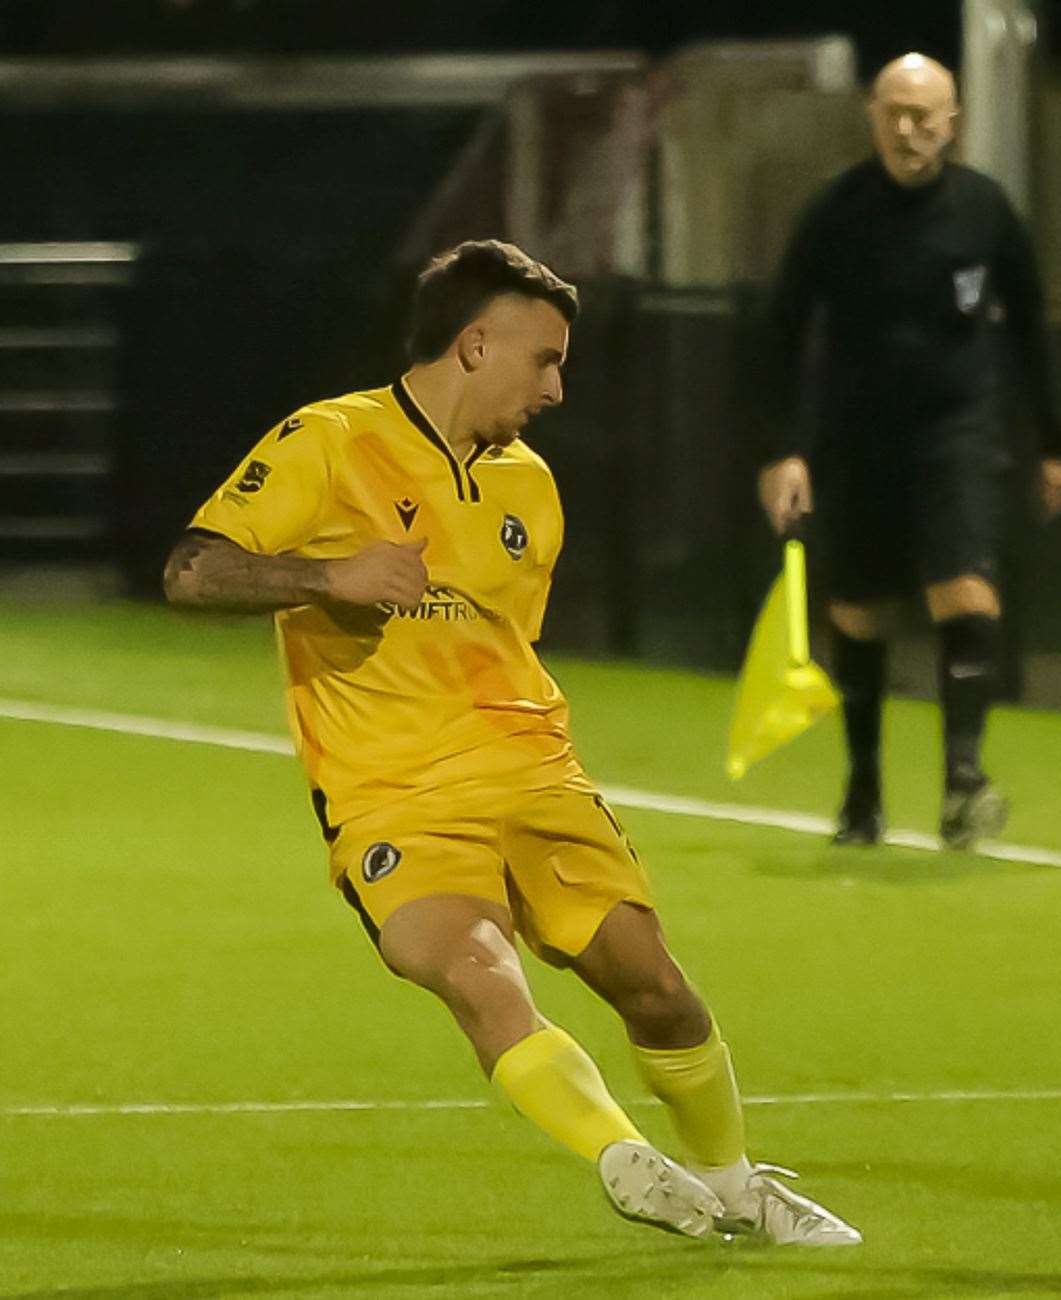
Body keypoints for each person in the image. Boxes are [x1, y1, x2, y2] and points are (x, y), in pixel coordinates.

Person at [162, 240, 859, 1247]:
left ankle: (736, 1181)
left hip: (533, 774)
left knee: (656, 988)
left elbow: (499, 650)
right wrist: (326, 577)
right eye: (546, 359)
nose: (560, 388)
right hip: (393, 790)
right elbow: (192, 572)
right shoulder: (330, 440)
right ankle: (627, 1161)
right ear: (476, 342)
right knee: (477, 972)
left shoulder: (531, 488)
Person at [756, 53, 1061, 849]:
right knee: (858, 613)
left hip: (956, 432)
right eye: (895, 112)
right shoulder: (836, 212)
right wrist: (783, 448)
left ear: (952, 119)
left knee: (965, 589)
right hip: (856, 437)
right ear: (873, 117)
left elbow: (1032, 329)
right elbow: (782, 332)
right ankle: (862, 789)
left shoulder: (985, 211)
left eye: (924, 114)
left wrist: (1055, 440)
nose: (909, 129)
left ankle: (962, 780)